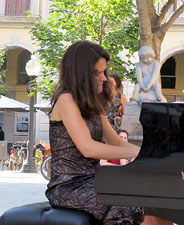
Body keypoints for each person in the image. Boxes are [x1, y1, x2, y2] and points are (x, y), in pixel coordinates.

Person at [45, 40, 172, 225]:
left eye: (104, 71)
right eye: (98, 73)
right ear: (81, 75)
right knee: (132, 208)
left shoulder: (93, 104)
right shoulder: (66, 100)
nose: (104, 78)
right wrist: (140, 154)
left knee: (159, 200)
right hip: (68, 187)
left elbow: (117, 142)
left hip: (94, 180)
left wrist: (152, 153)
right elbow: (88, 148)